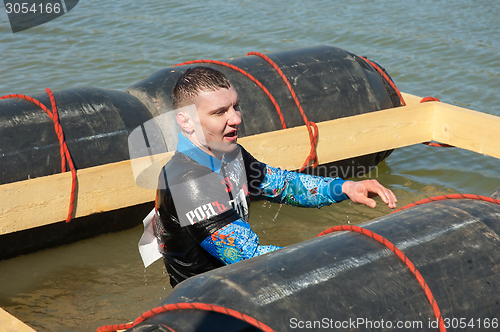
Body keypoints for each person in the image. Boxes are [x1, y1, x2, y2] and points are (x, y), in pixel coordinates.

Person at [153, 66, 397, 287]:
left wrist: (345, 188)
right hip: (205, 302)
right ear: (186, 122)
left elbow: (284, 185)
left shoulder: (229, 153)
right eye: (220, 112)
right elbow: (249, 254)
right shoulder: (188, 182)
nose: (236, 118)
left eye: (235, 106)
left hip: (236, 282)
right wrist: (332, 258)